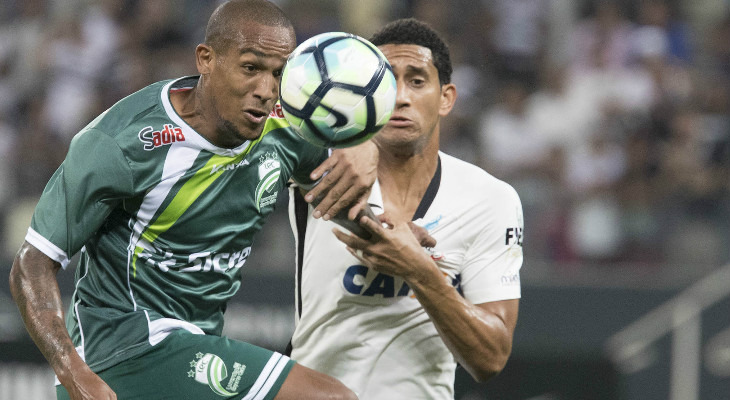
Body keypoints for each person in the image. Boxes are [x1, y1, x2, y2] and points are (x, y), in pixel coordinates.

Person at [9, 1, 376, 399]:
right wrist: (73, 374)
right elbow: (32, 263)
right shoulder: (122, 142)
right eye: (251, 68)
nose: (266, 91)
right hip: (124, 352)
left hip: (189, 351)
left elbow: (339, 196)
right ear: (206, 59)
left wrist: (391, 234)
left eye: (279, 74)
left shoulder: (286, 128)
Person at [287, 18, 523, 399]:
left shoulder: (491, 199)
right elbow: (265, 115)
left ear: (446, 97)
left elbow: (491, 357)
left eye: (416, 80)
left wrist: (419, 269)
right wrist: (357, 138)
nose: (398, 97)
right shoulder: (317, 163)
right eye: (384, 83)